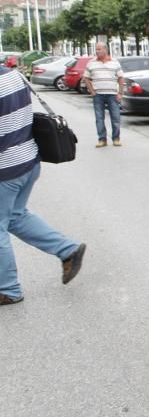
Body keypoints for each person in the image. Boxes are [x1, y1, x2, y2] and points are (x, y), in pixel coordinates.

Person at [0, 65, 86, 306]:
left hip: (5, 169)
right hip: (29, 160)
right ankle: (67, 250)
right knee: (16, 216)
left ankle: (8, 289)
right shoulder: (13, 75)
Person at [83, 42, 125, 148]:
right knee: (99, 118)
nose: (96, 51)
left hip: (112, 94)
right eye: (96, 49)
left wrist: (120, 93)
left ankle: (116, 138)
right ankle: (102, 139)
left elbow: (120, 78)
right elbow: (86, 78)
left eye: (99, 49)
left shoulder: (114, 62)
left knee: (115, 117)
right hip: (98, 95)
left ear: (106, 50)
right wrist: (91, 91)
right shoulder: (91, 63)